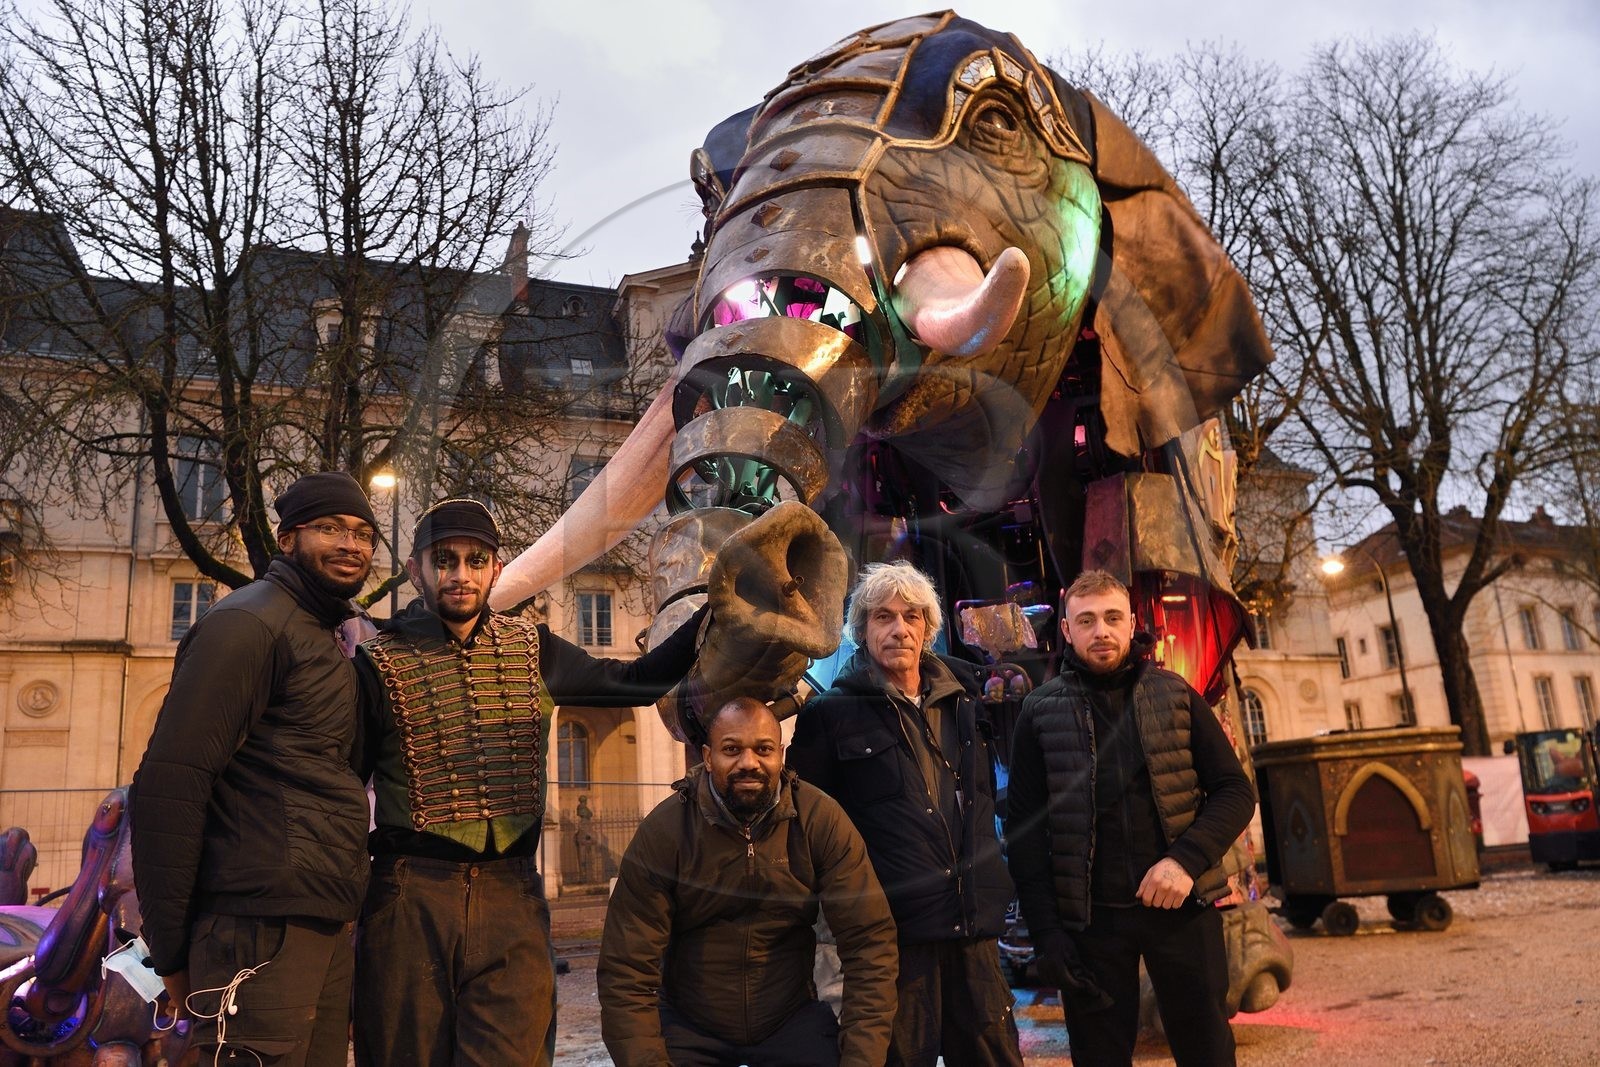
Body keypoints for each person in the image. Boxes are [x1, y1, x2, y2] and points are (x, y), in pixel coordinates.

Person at [350, 498, 706, 1067]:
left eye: (475, 560)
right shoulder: (375, 661)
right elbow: (344, 784)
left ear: (496, 567)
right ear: (416, 569)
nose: (460, 574)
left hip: (511, 893)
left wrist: (711, 614)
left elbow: (635, 682)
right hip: (410, 898)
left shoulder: (532, 648)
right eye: (444, 560)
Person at [131, 471, 381, 1067]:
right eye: (329, 528)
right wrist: (167, 949)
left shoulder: (327, 636)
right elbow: (171, 784)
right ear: (287, 538)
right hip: (254, 927)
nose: (351, 544)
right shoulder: (248, 624)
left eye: (364, 533)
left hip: (316, 919)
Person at [1004, 569, 1256, 1067]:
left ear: (1132, 622)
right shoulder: (1038, 711)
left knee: (1208, 1050)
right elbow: (1025, 833)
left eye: (1112, 617)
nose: (1102, 631)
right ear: (1068, 631)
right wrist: (1047, 933)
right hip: (1091, 923)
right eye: (1088, 620)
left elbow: (1234, 791)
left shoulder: (1177, 694)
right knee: (1099, 1057)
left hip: (1183, 910)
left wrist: (1184, 862)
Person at [789, 561, 1022, 1067]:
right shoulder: (828, 715)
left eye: (912, 617)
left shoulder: (964, 702)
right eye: (883, 617)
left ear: (928, 630)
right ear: (862, 630)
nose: (899, 629)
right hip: (892, 939)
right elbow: (808, 831)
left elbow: (983, 802)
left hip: (972, 929)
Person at [598, 697, 899, 1067]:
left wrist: (861, 1060)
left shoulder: (819, 820)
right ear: (708, 758)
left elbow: (870, 944)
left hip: (789, 1018)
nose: (749, 763)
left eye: (763, 749)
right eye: (731, 749)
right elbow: (627, 969)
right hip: (690, 1025)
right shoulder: (667, 831)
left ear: (781, 755)